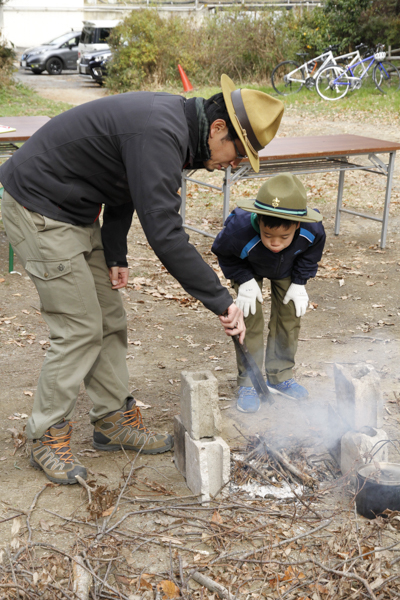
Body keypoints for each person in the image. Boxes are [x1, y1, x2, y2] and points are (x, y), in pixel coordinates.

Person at [0, 74, 284, 484]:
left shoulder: (175, 128)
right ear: (219, 128)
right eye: (237, 153)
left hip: (75, 211)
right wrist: (222, 300)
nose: (233, 164)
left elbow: (122, 185)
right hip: (37, 206)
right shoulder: (160, 133)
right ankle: (45, 436)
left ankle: (112, 421)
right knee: (80, 327)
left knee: (109, 319)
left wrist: (114, 251)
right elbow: (166, 236)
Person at [212, 173, 326, 413]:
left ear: (297, 225)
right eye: (267, 235)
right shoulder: (238, 230)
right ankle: (249, 383)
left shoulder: (312, 230)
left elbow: (310, 254)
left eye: (284, 237)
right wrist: (243, 280)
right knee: (248, 320)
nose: (275, 243)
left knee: (289, 317)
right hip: (248, 269)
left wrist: (300, 282)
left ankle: (280, 375)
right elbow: (223, 252)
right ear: (259, 219)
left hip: (288, 270)